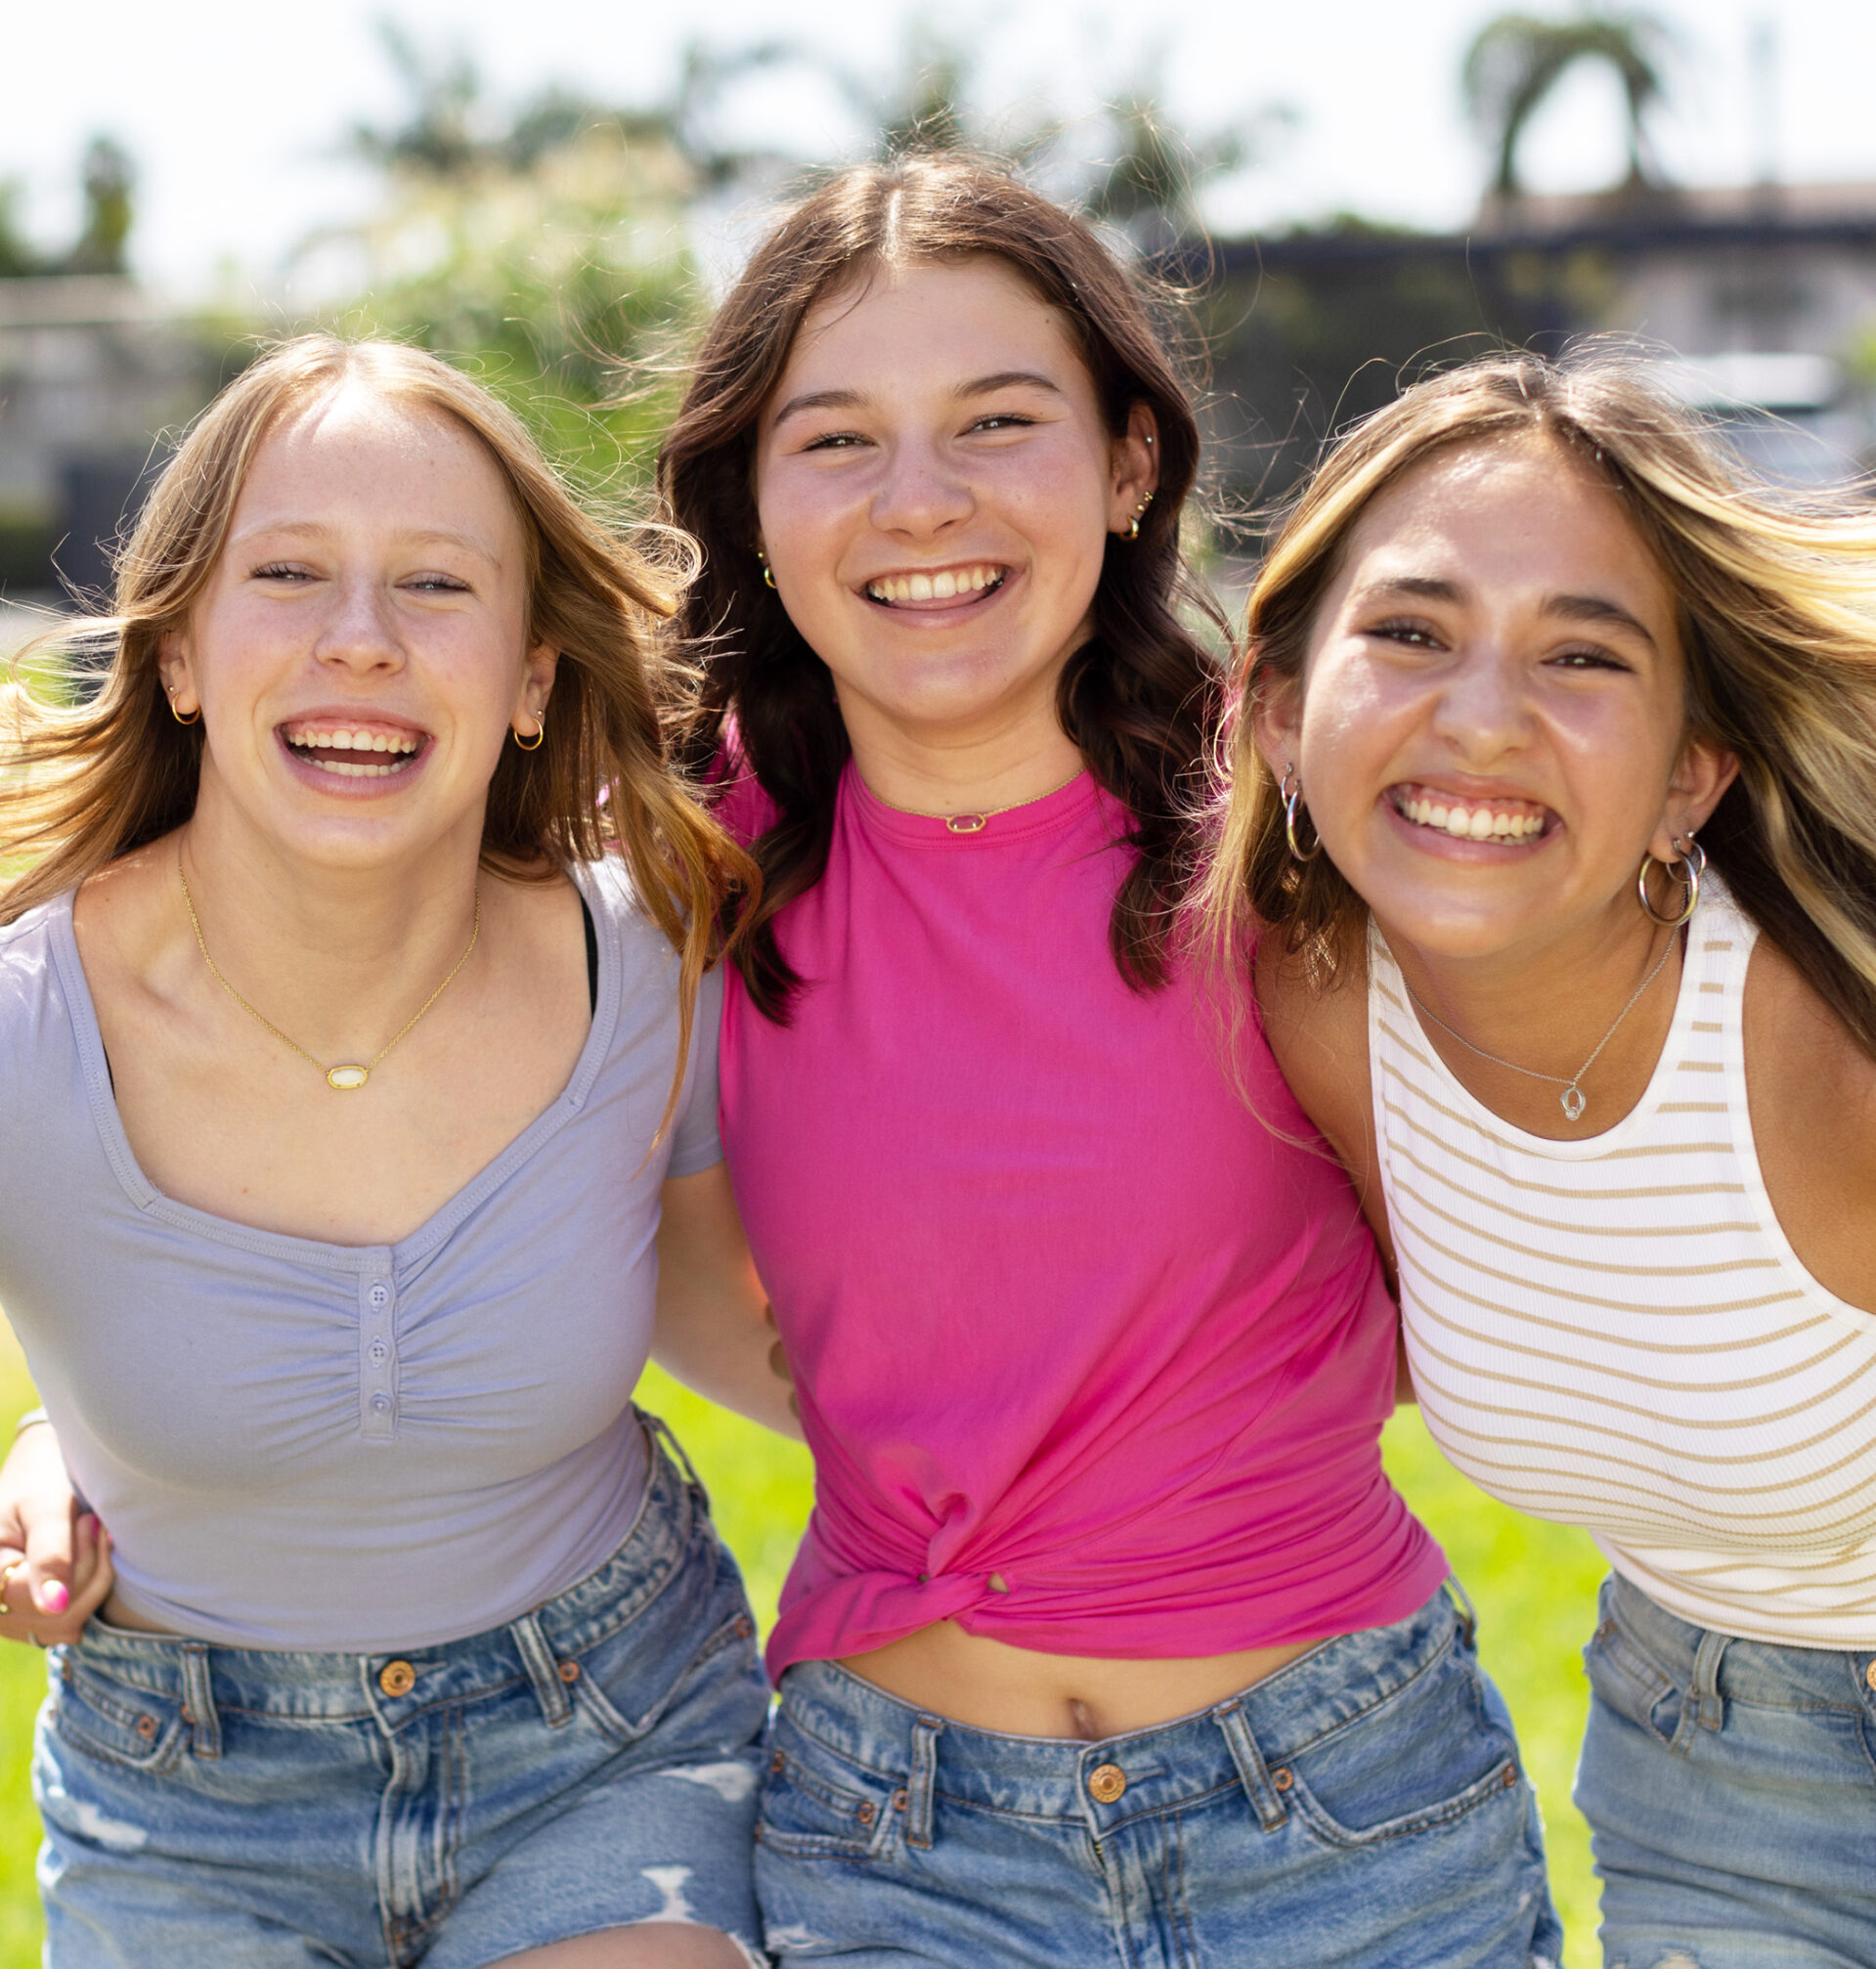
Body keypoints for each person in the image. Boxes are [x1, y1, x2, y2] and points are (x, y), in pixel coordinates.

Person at [657, 154, 1562, 1967]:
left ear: (1131, 460)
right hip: (899, 1840)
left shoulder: (1298, 824)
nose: (923, 503)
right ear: (751, 501)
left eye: (1000, 420)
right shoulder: (689, 874)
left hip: (1347, 1814)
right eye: (835, 440)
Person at [0, 335, 793, 1968]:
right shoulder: (26, 1020)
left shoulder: (649, 963)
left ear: (528, 682)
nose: (358, 642)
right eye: (287, 573)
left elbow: (759, 1324)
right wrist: (54, 1443)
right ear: (181, 657)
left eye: (435, 586)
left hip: (613, 1732)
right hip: (191, 1800)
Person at [1208, 347, 1876, 1968]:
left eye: (1582, 656)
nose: (1483, 720)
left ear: (1687, 780)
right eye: (1413, 633)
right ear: (1285, 717)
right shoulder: (1313, 1011)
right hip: (1718, 1754)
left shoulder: (1820, 1044)